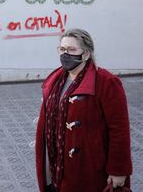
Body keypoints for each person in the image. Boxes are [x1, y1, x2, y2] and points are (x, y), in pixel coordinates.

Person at [35, 29, 132, 192]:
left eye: (72, 50)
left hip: (89, 168)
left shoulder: (107, 82)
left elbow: (119, 130)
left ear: (86, 54)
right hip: (56, 164)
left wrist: (118, 170)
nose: (65, 54)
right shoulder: (55, 81)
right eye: (62, 49)